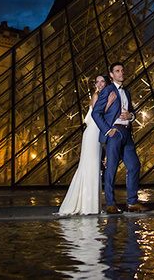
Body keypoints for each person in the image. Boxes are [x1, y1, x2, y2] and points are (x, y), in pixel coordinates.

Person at [92, 62, 148, 214]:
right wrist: (108, 130)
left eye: (122, 70)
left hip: (126, 133)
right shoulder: (108, 90)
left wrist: (132, 116)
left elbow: (131, 111)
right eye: (117, 71)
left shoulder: (127, 92)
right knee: (111, 168)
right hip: (115, 132)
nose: (121, 73)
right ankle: (110, 203)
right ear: (111, 75)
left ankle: (132, 202)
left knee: (134, 165)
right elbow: (95, 113)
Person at [58, 75, 108, 215]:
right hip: (92, 133)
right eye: (97, 81)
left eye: (102, 81)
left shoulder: (103, 95)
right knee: (90, 167)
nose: (99, 84)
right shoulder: (96, 95)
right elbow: (99, 114)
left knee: (92, 167)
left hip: (95, 133)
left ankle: (90, 205)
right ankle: (88, 206)